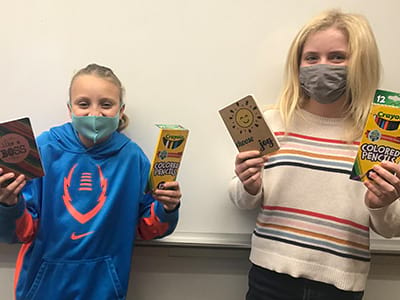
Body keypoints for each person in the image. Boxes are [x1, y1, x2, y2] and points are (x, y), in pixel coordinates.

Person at [229, 10, 400, 300]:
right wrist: (248, 185)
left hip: (341, 284)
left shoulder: (380, 133)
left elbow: (391, 227)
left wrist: (380, 204)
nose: (322, 66)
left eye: (336, 57)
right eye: (311, 58)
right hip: (269, 276)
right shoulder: (271, 122)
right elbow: (241, 199)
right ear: (297, 64)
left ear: (360, 62)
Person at [0, 63, 181, 300]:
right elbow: (17, 232)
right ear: (70, 109)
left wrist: (168, 207)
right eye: (83, 104)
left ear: (120, 110)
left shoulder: (132, 158)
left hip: (104, 289)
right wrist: (8, 205)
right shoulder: (43, 149)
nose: (95, 113)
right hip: (42, 288)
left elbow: (147, 227)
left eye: (106, 104)